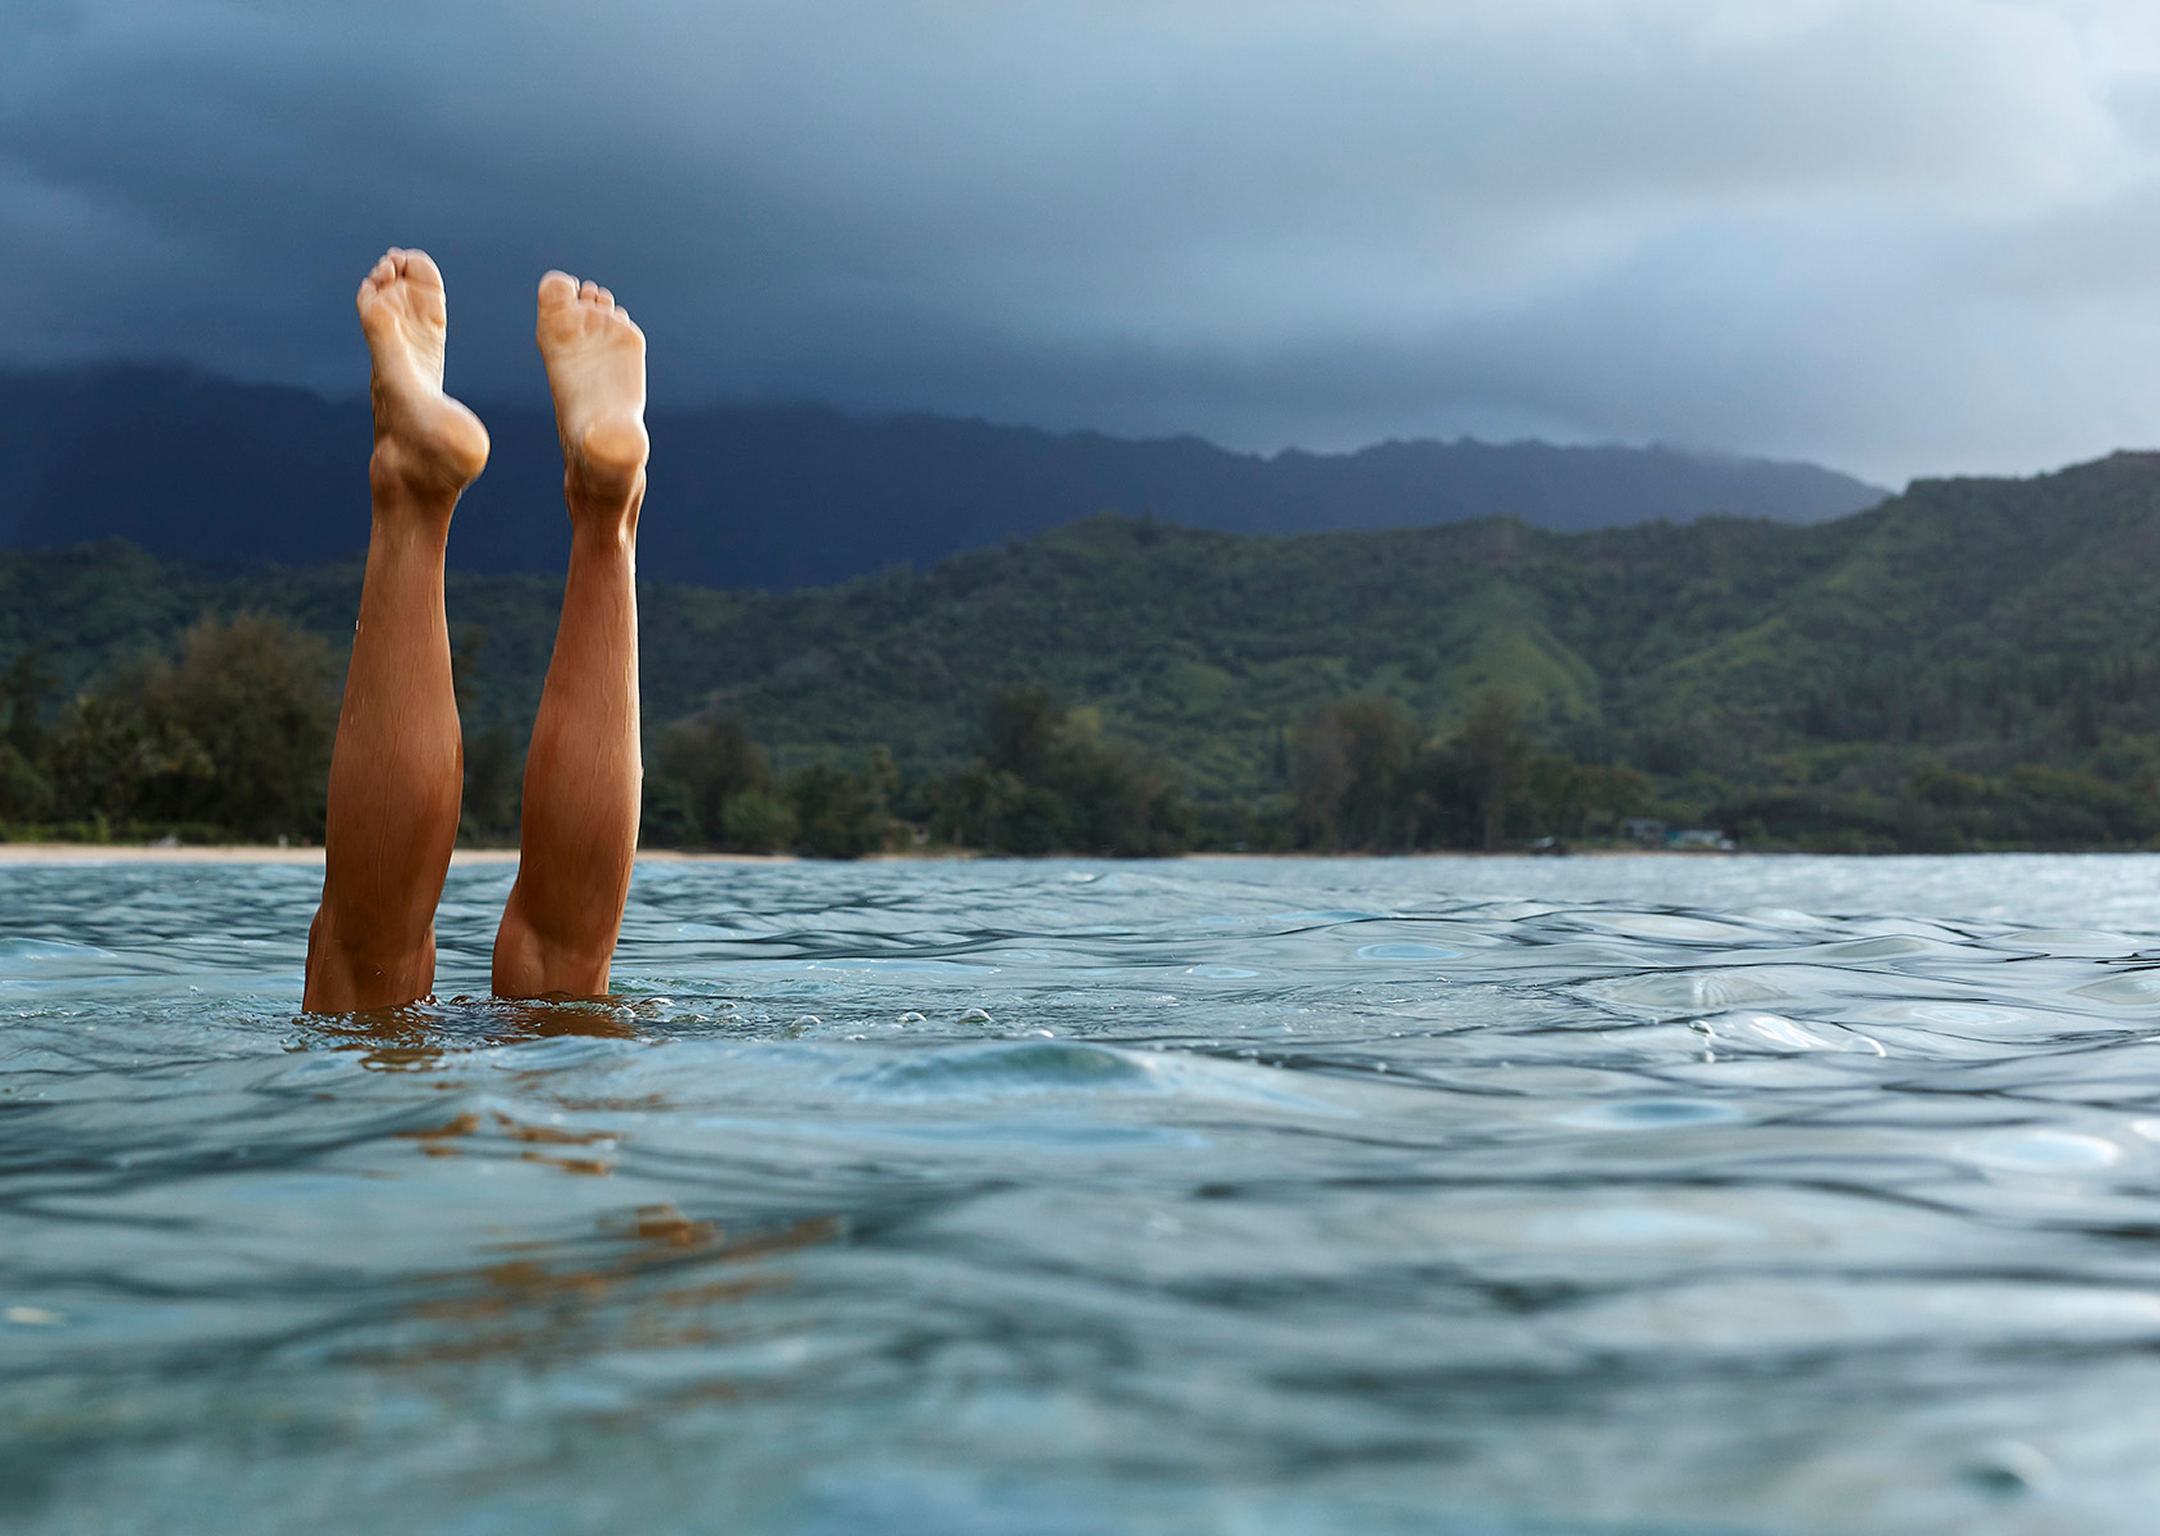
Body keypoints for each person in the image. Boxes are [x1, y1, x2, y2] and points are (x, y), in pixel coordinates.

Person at [303, 248, 648, 1013]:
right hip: (568, 1117)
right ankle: (609, 513)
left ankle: (412, 485)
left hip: (377, 1116)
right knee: (568, 969)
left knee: (366, 972)